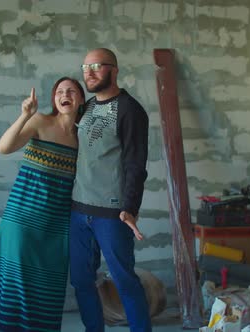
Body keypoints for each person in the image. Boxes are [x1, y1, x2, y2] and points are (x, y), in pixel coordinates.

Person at [0, 77, 85, 332]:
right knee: (17, 285)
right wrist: (24, 115)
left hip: (56, 226)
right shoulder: (40, 121)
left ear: (81, 99)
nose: (65, 94)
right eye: (60, 91)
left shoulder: (83, 137)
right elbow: (3, 147)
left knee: (47, 289)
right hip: (23, 218)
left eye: (72, 91)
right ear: (54, 99)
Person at [70, 48, 151, 332]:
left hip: (112, 214)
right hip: (78, 211)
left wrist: (130, 207)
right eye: (85, 67)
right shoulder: (88, 106)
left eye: (97, 66)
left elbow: (135, 164)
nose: (89, 72)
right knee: (81, 281)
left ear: (114, 70)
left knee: (124, 280)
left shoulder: (130, 110)